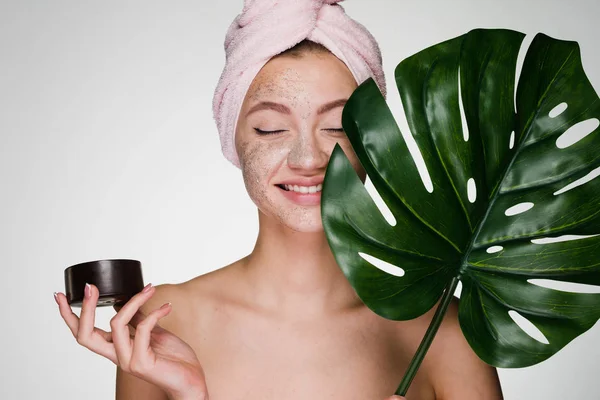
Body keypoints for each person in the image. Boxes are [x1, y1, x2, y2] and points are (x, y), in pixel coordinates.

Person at [54, 1, 503, 399]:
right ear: (234, 138)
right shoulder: (163, 322)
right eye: (270, 128)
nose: (308, 158)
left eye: (337, 127)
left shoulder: (444, 330)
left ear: (374, 142)